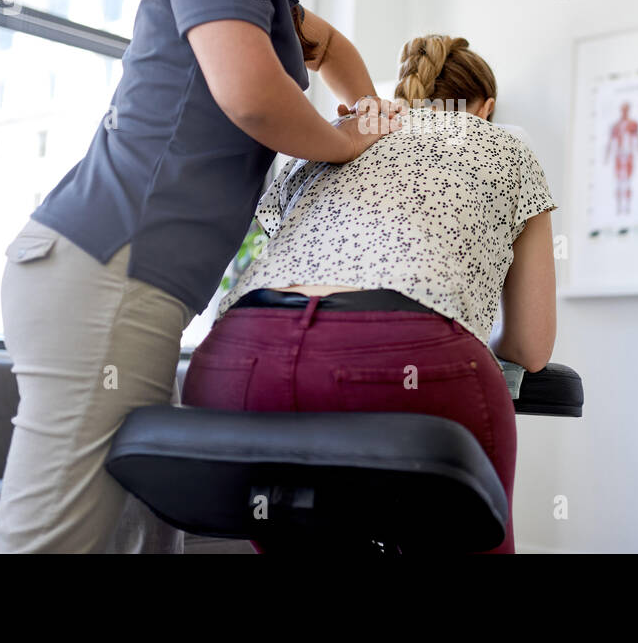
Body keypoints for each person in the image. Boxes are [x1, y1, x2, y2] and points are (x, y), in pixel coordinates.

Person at [0, 0, 407, 553]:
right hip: (108, 269)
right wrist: (347, 147)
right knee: (44, 545)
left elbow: (329, 47)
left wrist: (370, 116)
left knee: (141, 531)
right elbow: (251, 97)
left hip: (119, 279)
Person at [185, 34, 559, 553]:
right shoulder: (506, 145)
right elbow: (530, 347)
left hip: (235, 364)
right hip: (404, 363)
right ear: (486, 108)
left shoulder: (335, 135)